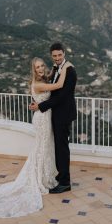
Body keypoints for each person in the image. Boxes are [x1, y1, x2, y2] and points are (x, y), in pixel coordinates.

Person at [0, 57, 71, 218]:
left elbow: (50, 82)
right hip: (42, 119)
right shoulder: (37, 84)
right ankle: (40, 178)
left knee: (45, 147)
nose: (40, 69)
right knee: (41, 147)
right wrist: (66, 67)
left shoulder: (42, 80)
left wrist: (55, 68)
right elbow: (59, 85)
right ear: (33, 69)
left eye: (41, 66)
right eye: (37, 67)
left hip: (45, 117)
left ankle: (44, 176)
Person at [30, 42, 77, 194]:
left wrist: (41, 106)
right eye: (54, 56)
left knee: (62, 149)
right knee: (56, 147)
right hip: (54, 115)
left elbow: (62, 96)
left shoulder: (69, 71)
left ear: (64, 53)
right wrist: (38, 103)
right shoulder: (57, 68)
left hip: (63, 115)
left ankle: (65, 182)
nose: (57, 58)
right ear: (52, 56)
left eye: (60, 55)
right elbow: (51, 89)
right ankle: (59, 175)